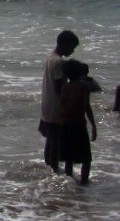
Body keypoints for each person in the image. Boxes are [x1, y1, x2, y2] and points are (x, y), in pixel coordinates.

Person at [39, 30, 79, 173]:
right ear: (64, 44)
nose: (72, 51)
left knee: (50, 140)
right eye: (72, 47)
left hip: (46, 103)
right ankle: (54, 169)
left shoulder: (50, 58)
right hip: (55, 106)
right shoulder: (59, 62)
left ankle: (50, 168)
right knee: (55, 140)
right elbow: (59, 87)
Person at [59, 60, 97, 184]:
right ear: (80, 72)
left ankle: (69, 182)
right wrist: (94, 126)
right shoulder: (84, 86)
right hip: (78, 123)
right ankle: (84, 183)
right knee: (86, 158)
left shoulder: (64, 87)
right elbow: (86, 106)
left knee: (69, 157)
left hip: (64, 123)